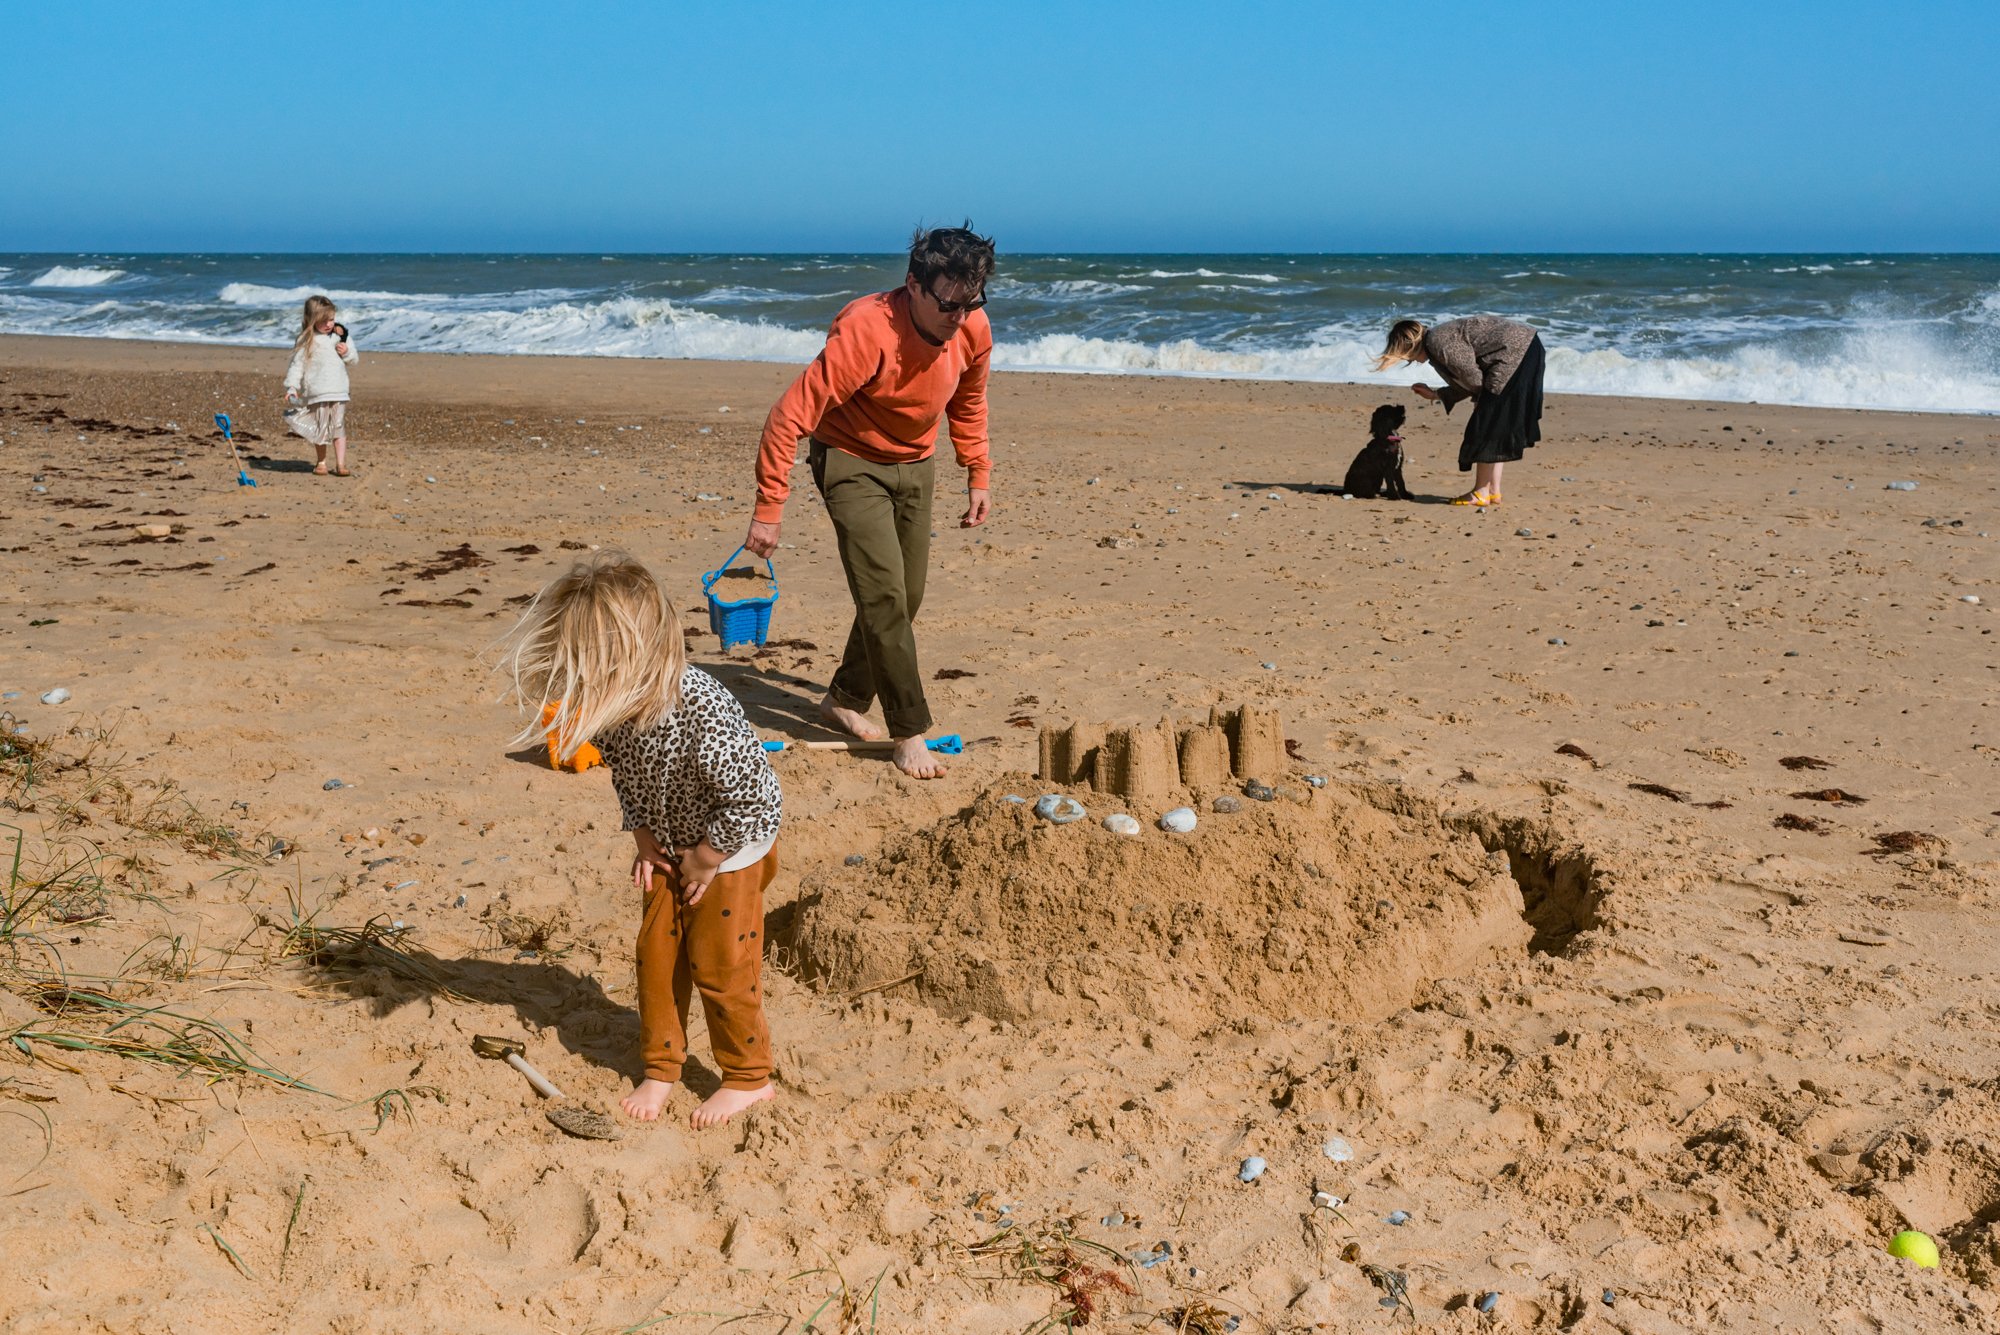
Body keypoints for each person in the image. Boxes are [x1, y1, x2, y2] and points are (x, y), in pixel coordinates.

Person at [502, 554, 784, 1129]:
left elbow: (758, 800)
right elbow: (627, 776)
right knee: (656, 959)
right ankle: (662, 1067)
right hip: (671, 845)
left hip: (731, 851)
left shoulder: (702, 707)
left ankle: (748, 1077)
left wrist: (706, 859)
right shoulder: (614, 709)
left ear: (637, 657)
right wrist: (644, 837)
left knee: (720, 966)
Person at [743, 224, 995, 779]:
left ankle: (844, 699)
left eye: (971, 302)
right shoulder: (867, 331)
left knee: (907, 596)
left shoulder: (972, 326)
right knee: (883, 598)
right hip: (849, 458)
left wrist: (977, 469)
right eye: (949, 304)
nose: (960, 317)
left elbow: (969, 400)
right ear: (913, 285)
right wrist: (769, 507)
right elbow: (788, 417)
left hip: (916, 461)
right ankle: (910, 730)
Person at [1375, 316, 1545, 506]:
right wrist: (1435, 395)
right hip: (1526, 348)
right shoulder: (1436, 341)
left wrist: (1481, 401)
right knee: (1497, 425)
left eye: (1407, 357)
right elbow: (1469, 379)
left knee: (1485, 426)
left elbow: (1472, 378)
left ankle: (1480, 492)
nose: (1411, 361)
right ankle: (1492, 490)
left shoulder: (1437, 342)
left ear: (1409, 346)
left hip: (1514, 353)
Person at [283, 295, 360, 476]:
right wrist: (292, 386)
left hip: (339, 390)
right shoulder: (306, 339)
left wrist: (346, 352)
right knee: (321, 428)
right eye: (323, 321)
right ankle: (322, 462)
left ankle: (341, 464)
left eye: (331, 319)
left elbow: (354, 360)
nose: (329, 324)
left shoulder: (340, 336)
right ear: (312, 320)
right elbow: (297, 365)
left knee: (338, 426)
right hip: (317, 391)